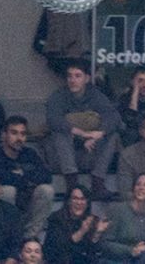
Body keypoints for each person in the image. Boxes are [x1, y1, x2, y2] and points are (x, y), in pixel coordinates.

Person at [45, 64, 121, 199]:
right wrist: (81, 133)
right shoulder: (58, 96)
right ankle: (72, 185)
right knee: (60, 132)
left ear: (86, 78)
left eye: (77, 76)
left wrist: (99, 134)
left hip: (88, 154)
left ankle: (98, 182)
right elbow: (53, 119)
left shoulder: (95, 95)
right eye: (69, 76)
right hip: (62, 159)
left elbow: (114, 117)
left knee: (113, 135)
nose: (72, 80)